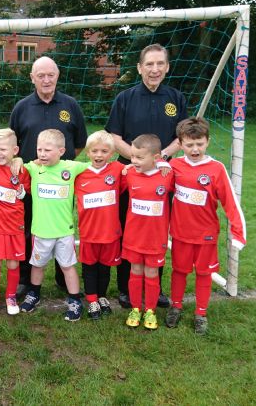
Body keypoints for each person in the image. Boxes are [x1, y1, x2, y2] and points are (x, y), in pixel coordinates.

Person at [105, 43, 188, 310]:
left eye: (160, 64)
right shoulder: (125, 98)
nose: (154, 69)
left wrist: (159, 159)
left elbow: (182, 137)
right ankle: (126, 288)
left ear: (167, 67)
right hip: (130, 176)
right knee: (127, 230)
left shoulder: (176, 98)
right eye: (149, 64)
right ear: (140, 68)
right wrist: (139, 162)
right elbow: (114, 137)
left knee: (156, 231)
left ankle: (156, 287)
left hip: (163, 179)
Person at [10, 56, 88, 295]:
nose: (46, 80)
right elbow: (14, 145)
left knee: (61, 229)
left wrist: (58, 168)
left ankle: (63, 276)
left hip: (61, 184)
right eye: (40, 75)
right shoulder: (22, 107)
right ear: (32, 77)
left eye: (50, 75)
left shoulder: (70, 105)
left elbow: (79, 143)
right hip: (31, 181)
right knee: (29, 228)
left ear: (57, 76)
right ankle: (26, 277)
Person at [165, 118, 246, 334]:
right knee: (179, 271)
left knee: (203, 274)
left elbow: (231, 203)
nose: (195, 149)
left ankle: (201, 313)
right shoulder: (173, 166)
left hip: (206, 235)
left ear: (207, 142)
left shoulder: (216, 169)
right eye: (189, 144)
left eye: (199, 144)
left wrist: (238, 232)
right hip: (181, 234)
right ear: (180, 144)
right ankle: (176, 306)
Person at [20, 129, 88, 321]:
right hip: (41, 232)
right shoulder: (33, 168)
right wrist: (17, 160)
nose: (42, 154)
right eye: (39, 149)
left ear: (61, 150)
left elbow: (97, 167)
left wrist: (125, 168)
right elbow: (14, 163)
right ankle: (34, 294)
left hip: (64, 232)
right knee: (37, 265)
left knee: (68, 266)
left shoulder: (72, 167)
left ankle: (74, 300)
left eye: (47, 150)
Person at [120, 134, 174, 331]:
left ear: (156, 157)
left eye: (140, 157)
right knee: (135, 270)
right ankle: (135, 308)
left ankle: (150, 310)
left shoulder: (168, 175)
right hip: (134, 237)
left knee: (151, 272)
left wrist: (164, 165)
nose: (134, 161)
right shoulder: (129, 173)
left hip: (155, 238)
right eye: (132, 156)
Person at [74, 131, 127, 320]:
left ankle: (102, 297)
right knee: (89, 267)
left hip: (111, 232)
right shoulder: (79, 173)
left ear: (111, 153)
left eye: (104, 151)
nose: (99, 155)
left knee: (105, 268)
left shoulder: (119, 169)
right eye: (94, 151)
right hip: (89, 232)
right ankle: (92, 299)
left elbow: (139, 170)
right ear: (87, 153)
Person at [0, 128, 30, 316]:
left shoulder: (21, 170)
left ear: (15, 150)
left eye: (3, 149)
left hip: (15, 226)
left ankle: (10, 296)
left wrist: (20, 164)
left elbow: (26, 192)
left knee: (12, 264)